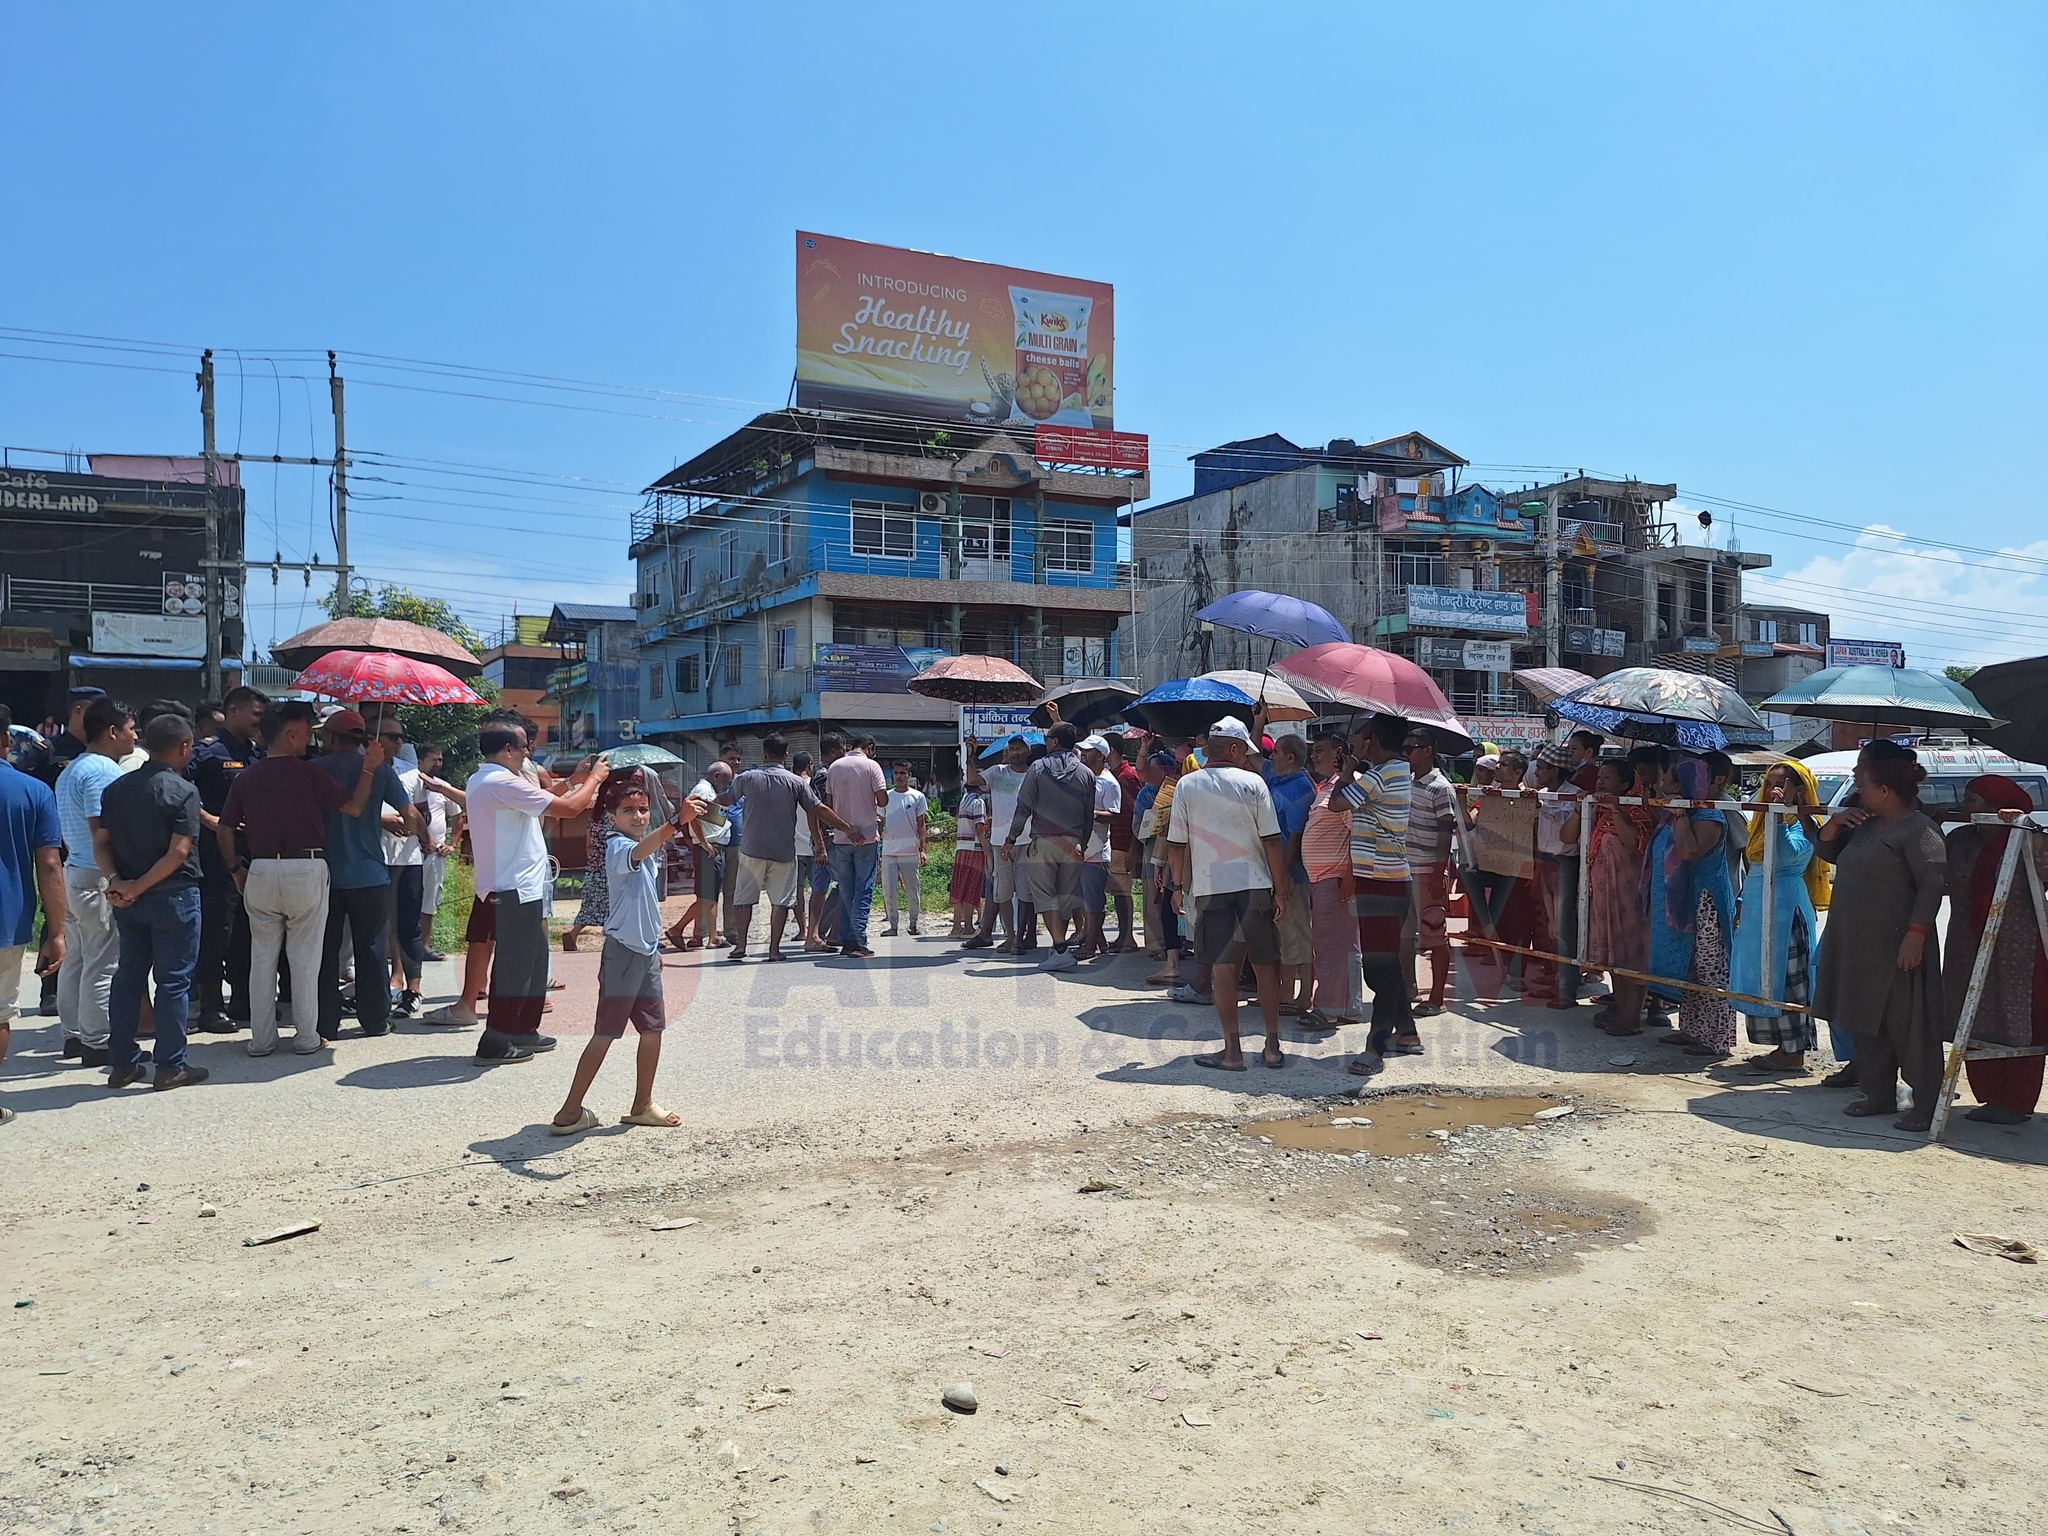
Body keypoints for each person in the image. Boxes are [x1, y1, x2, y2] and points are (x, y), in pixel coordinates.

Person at [218, 703, 389, 1056]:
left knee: (262, 957)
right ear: (291, 734)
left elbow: (224, 828)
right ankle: (306, 1036)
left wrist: (236, 869)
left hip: (261, 868)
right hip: (306, 866)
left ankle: (261, 1039)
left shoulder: (246, 776)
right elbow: (354, 807)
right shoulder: (310, 774)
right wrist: (370, 769)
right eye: (306, 732)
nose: (309, 740)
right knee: (305, 958)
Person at [1812, 743, 1948, 1130]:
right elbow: (1829, 855)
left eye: (1863, 783)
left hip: (1899, 945)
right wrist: (1835, 824)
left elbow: (1932, 884)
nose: (1858, 788)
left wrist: (1917, 934)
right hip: (1858, 944)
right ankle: (1878, 1094)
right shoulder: (1865, 825)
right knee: (1863, 1017)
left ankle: (1926, 1104)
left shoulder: (1919, 830)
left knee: (1909, 1025)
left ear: (1884, 790)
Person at [466, 722, 608, 1063]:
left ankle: (523, 1030)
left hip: (521, 887)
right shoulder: (499, 781)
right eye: (523, 746)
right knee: (514, 968)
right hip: (512, 888)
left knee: (533, 961)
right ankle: (496, 1042)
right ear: (507, 750)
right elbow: (571, 808)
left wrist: (576, 779)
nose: (528, 752)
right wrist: (595, 779)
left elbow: (549, 798)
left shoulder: (487, 780)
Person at [550, 782, 683, 1131]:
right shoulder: (618, 846)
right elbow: (641, 850)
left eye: (643, 809)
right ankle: (569, 1111)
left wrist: (653, 949)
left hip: (645, 951)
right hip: (623, 952)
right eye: (628, 810)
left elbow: (644, 901)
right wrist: (675, 823)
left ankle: (642, 1104)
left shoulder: (644, 847)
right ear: (612, 818)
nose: (638, 815)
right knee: (606, 1032)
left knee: (653, 1029)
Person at [1164, 717, 1290, 1071]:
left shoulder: (1187, 785)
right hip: (1254, 886)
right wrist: (1280, 891)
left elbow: (1176, 843)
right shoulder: (1254, 783)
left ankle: (1232, 1052)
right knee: (1265, 966)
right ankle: (1272, 1046)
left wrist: (1177, 886)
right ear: (1234, 749)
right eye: (1244, 751)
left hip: (1210, 887)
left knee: (1223, 969)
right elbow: (1272, 842)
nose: (1247, 758)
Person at [96, 713, 207, 1090]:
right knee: (173, 982)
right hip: (172, 894)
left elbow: (100, 842)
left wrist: (118, 882)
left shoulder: (117, 788)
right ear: (185, 747)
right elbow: (178, 852)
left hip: (127, 896)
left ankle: (123, 1062)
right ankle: (170, 1064)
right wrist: (139, 886)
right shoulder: (182, 791)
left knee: (128, 976)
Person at [1938, 775, 2048, 1123]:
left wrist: (2024, 826)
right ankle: (1989, 1095)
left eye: (1974, 800)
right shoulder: (1962, 840)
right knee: (1971, 1013)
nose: (1967, 805)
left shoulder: (2028, 840)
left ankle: (2016, 1102)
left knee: (2018, 1019)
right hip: (1967, 942)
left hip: (2019, 946)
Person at [313, 711, 418, 1043]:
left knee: (325, 952)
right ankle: (375, 1020)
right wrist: (405, 829)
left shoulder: (315, 769)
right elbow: (411, 815)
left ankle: (325, 1023)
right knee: (371, 950)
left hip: (325, 876)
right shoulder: (380, 770)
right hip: (371, 875)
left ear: (330, 737)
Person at [54, 696, 134, 1065]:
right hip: (98, 875)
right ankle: (98, 1040)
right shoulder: (104, 771)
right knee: (103, 961)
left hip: (73, 871)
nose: (135, 736)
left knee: (77, 959)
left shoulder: (71, 769)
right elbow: (100, 827)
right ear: (113, 731)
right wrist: (117, 875)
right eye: (131, 729)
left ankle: (72, 1034)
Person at [1732, 760, 1824, 1073]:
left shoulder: (1804, 824)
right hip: (1759, 905)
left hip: (1786, 909)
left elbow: (1786, 854)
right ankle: (1779, 1046)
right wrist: (1743, 899)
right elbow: (1755, 864)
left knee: (1788, 979)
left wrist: (1781, 820)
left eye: (1782, 784)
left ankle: (1793, 1051)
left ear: (1800, 791)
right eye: (1770, 782)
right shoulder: (1759, 822)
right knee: (1764, 974)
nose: (1774, 790)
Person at [728, 734, 852, 962]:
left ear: (763, 754)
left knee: (743, 898)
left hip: (751, 849)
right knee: (781, 901)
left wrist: (700, 807)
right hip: (784, 852)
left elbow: (726, 799)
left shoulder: (746, 778)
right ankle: (774, 950)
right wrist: (848, 828)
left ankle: (741, 947)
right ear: (785, 756)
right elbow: (818, 809)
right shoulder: (795, 782)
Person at [1645, 757, 1738, 1059]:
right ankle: (1691, 1029)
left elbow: (1688, 851)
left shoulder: (1709, 817)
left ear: (1685, 785)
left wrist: (1682, 815)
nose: (1663, 786)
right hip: (1683, 903)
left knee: (1710, 969)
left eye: (1670, 780)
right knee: (1690, 967)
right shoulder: (1675, 814)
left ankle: (1716, 1039)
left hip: (1705, 902)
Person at [187, 684, 266, 1032]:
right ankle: (211, 1007)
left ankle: (242, 999)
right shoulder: (206, 752)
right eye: (255, 713)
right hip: (216, 854)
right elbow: (179, 789)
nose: (258, 721)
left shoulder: (255, 754)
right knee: (218, 929)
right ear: (234, 711)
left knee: (248, 929)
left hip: (253, 852)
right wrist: (208, 819)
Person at [1338, 715, 1416, 1075]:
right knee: (1386, 963)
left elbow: (1337, 803)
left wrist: (1353, 762)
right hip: (1383, 880)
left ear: (1373, 741)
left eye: (1362, 737)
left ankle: (1376, 1047)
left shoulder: (1381, 775)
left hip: (1382, 883)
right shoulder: (1392, 772)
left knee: (1378, 970)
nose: (1357, 741)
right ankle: (1408, 1032)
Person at [0, 702, 65, 1123]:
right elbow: (49, 864)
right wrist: (56, 931)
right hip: (8, 920)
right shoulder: (33, 791)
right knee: (1, 1011)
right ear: (6, 739)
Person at [1006, 722, 1097, 972]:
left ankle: (1059, 949)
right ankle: (1060, 947)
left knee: (1045, 896)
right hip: (1073, 843)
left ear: (1055, 742)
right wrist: (1083, 842)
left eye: (1047, 738)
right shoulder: (1086, 773)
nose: (1045, 742)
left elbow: (1023, 807)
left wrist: (1011, 839)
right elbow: (1089, 815)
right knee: (1065, 896)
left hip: (1044, 841)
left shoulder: (1037, 768)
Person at [1585, 757, 1657, 1037]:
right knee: (1615, 955)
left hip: (1629, 896)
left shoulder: (1637, 809)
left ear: (1626, 784)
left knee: (1632, 955)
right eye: (1599, 777)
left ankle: (1631, 1018)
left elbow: (1633, 841)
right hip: (1606, 897)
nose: (1601, 782)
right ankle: (1621, 1010)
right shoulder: (1598, 808)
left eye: (1608, 778)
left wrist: (1617, 810)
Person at [1301, 736, 1359, 1028]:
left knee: (1329, 945)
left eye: (1319, 750)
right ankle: (1347, 1006)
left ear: (1338, 753)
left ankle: (1328, 1008)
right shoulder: (1328, 786)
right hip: (1325, 877)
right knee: (1343, 944)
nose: (1313, 756)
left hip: (1334, 878)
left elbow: (1357, 834)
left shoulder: (1345, 788)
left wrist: (1349, 877)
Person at [962, 735, 1036, 954]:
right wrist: (971, 755)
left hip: (1027, 841)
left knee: (1025, 893)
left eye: (1019, 749)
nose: (1014, 752)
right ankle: (1010, 936)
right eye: (1011, 748)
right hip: (999, 842)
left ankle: (1020, 938)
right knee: (1003, 893)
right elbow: (973, 781)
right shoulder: (996, 772)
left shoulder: (1034, 775)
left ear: (1028, 752)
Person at [376, 722, 430, 1018]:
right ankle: (388, 982)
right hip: (374, 856)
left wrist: (423, 834)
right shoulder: (363, 769)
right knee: (382, 926)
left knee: (409, 924)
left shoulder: (410, 772)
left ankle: (414, 988)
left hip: (408, 858)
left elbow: (422, 811)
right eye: (391, 736)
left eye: (400, 737)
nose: (397, 742)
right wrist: (382, 820)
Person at [1401, 733, 1455, 1017]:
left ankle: (1437, 997)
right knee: (1404, 934)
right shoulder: (1408, 784)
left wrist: (1438, 874)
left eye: (1411, 748)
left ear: (1427, 751)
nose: (1406, 753)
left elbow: (1446, 832)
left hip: (1427, 870)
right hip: (1405, 869)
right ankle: (1408, 987)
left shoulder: (1440, 787)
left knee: (1434, 934)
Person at [1262, 734, 1315, 1015]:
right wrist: (1258, 721)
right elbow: (1256, 758)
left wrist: (1282, 881)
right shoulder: (1279, 779)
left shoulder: (1299, 788)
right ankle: (1286, 991)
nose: (1272, 756)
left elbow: (1294, 840)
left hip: (1292, 874)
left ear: (1290, 758)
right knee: (1285, 934)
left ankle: (1303, 995)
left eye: (1277, 752)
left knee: (1298, 934)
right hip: (1279, 872)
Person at [823, 732, 888, 958]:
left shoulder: (834, 768)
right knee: (864, 890)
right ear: (869, 747)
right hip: (867, 837)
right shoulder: (872, 766)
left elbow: (829, 805)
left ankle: (847, 939)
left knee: (846, 890)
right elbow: (883, 800)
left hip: (841, 837)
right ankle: (858, 939)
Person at [1527, 743, 1579, 1009]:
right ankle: (1556, 980)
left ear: (1556, 771)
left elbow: (1564, 822)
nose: (1537, 773)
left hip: (1565, 863)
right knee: (1548, 923)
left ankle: (1567, 989)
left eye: (1542, 768)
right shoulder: (1544, 793)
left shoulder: (1576, 795)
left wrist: (1539, 805)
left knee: (1563, 927)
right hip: (1544, 859)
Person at [1074, 735, 1121, 961]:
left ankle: (1091, 944)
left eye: (1088, 751)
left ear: (1100, 755)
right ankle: (1099, 941)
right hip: (1080, 847)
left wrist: (1090, 813)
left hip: (1097, 849)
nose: (1083, 754)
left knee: (1093, 901)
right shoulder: (1082, 777)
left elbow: (1114, 815)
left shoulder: (1109, 782)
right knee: (1083, 899)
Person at [880, 761, 930, 937]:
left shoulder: (917, 797)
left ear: (909, 776)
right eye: (896, 773)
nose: (899, 776)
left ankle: (914, 924)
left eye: (903, 773)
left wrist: (923, 849)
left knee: (913, 889)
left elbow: (921, 824)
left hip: (910, 851)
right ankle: (893, 926)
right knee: (889, 890)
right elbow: (879, 821)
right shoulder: (885, 797)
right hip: (889, 851)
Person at [415, 744, 455, 960]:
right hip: (410, 852)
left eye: (440, 760)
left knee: (429, 901)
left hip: (435, 855)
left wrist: (453, 844)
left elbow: (458, 817)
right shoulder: (409, 783)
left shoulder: (443, 788)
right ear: (420, 761)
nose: (438, 764)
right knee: (404, 900)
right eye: (433, 760)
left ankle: (424, 946)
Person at [1105, 735, 1143, 950]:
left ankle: (1127, 938)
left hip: (1123, 841)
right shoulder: (1116, 774)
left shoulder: (1126, 777)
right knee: (1118, 893)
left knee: (1122, 892)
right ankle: (1123, 936)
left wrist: (1132, 848)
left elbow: (1135, 813)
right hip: (1117, 841)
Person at [949, 766, 990, 939]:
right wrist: (988, 853)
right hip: (974, 849)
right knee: (971, 887)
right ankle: (968, 927)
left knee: (959, 887)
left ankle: (956, 926)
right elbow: (979, 829)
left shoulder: (965, 799)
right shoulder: (978, 802)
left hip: (961, 848)